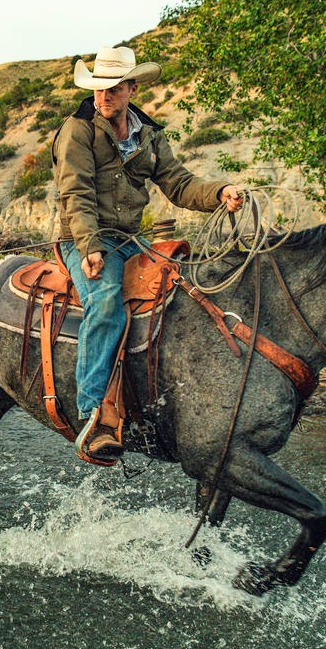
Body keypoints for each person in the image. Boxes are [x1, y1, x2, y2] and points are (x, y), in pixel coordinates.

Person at [52, 46, 245, 462]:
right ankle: (93, 415)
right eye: (100, 88)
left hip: (128, 239)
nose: (105, 96)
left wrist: (219, 193)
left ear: (132, 88)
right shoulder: (78, 130)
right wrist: (89, 247)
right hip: (83, 238)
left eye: (115, 88)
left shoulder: (150, 135)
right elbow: (75, 193)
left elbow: (177, 183)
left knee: (182, 293)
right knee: (105, 304)